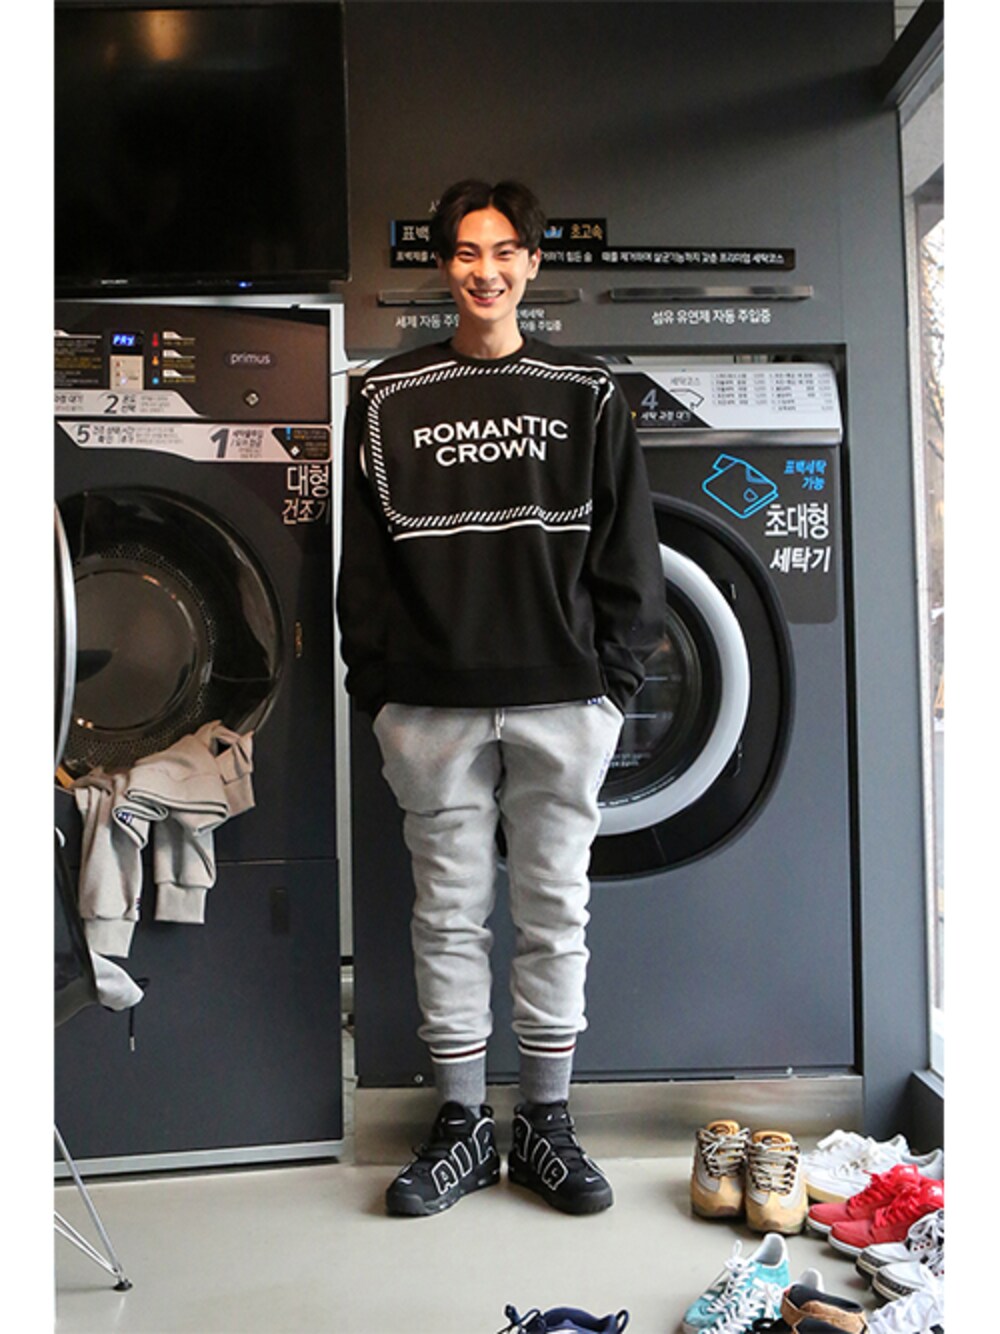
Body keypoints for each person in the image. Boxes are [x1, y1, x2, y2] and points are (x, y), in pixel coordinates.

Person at [337, 179, 665, 1218]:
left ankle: (547, 1125)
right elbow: (363, 563)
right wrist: (377, 689)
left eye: (505, 250)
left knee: (554, 913)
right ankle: (463, 1127)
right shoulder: (385, 396)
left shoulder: (587, 391)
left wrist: (612, 687)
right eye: (466, 252)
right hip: (427, 704)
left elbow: (630, 551)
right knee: (446, 915)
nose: (486, 270)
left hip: (563, 699)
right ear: (446, 267)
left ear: (531, 263)